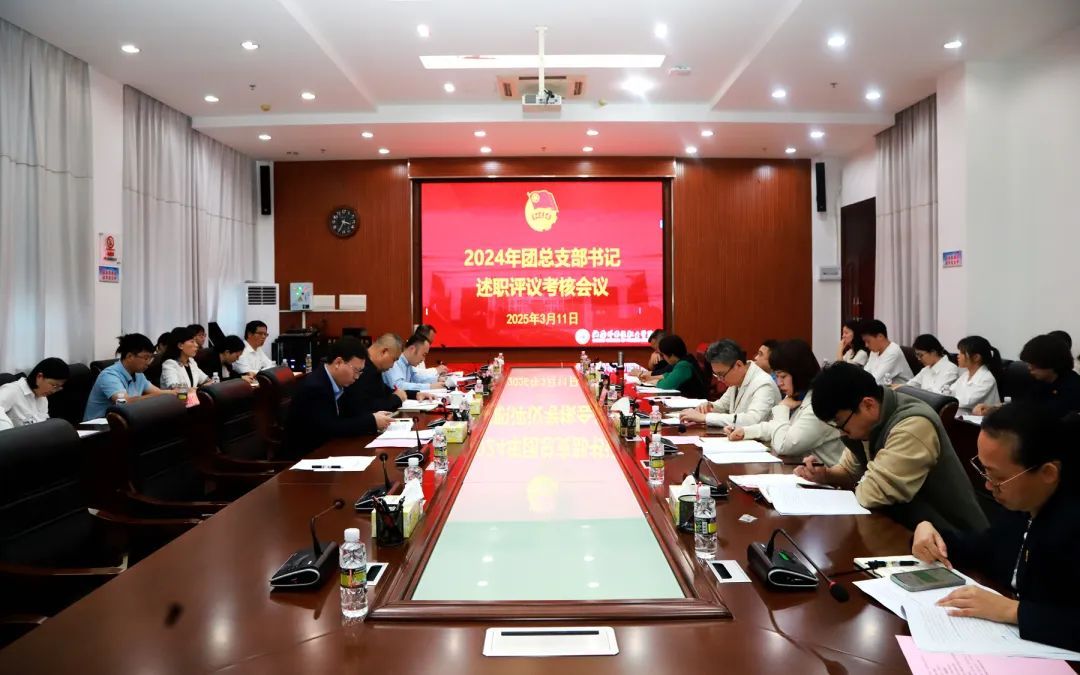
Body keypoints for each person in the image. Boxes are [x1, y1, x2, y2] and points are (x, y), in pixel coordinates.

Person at [911, 405, 1080, 652]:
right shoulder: (1021, 507)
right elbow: (984, 549)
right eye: (985, 471)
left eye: (999, 478)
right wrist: (928, 531)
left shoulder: (1071, 522)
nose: (989, 486)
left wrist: (1013, 611)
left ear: (1047, 473)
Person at [796, 362, 987, 532]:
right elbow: (849, 470)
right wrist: (825, 475)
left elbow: (873, 494)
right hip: (906, 528)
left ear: (868, 405)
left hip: (954, 540)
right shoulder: (868, 423)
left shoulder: (912, 425)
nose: (841, 432)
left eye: (840, 423)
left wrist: (859, 483)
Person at [727, 340, 844, 465]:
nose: (779, 383)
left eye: (783, 376)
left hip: (827, 475)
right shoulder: (800, 395)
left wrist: (782, 408)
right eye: (776, 376)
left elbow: (783, 446)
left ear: (799, 373)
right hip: (803, 469)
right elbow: (777, 427)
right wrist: (745, 431)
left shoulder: (818, 405)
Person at [286, 337, 396, 456]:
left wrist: (374, 417)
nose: (357, 377)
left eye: (360, 372)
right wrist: (372, 421)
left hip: (329, 449)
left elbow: (351, 413)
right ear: (338, 363)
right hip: (306, 456)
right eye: (356, 370)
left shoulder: (338, 383)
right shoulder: (315, 387)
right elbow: (331, 428)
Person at [679, 339, 780, 428]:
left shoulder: (764, 384)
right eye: (716, 375)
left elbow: (752, 420)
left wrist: (705, 418)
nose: (719, 380)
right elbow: (723, 405)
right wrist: (709, 407)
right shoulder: (738, 378)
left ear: (738, 365)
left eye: (722, 375)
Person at [976, 334, 1080, 418]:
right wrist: (994, 409)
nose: (1029, 368)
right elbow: (1024, 403)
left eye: (1034, 364)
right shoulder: (1040, 381)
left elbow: (1043, 414)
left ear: (1051, 362)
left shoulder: (1073, 386)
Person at [84, 334, 168, 420]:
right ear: (129, 356)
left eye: (151, 358)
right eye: (146, 358)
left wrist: (174, 393)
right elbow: (125, 403)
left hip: (124, 421)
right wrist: (158, 396)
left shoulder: (139, 375)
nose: (148, 363)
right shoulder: (109, 375)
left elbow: (159, 392)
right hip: (99, 425)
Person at [0, 358, 69, 431]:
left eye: (58, 388)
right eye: (54, 385)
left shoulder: (43, 398)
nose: (54, 391)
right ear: (39, 377)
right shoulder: (12, 391)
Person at [951, 335, 1001, 410]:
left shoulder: (987, 378)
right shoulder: (966, 374)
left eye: (962, 353)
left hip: (981, 417)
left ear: (976, 357)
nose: (958, 356)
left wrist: (948, 399)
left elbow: (966, 401)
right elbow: (950, 391)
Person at [860, 319, 913, 385]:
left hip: (902, 390)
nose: (866, 345)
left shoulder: (893, 352)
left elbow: (875, 381)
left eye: (868, 341)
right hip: (885, 388)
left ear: (880, 336)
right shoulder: (874, 351)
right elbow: (866, 373)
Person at [160, 326, 210, 390]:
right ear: (180, 345)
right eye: (192, 341)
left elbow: (207, 380)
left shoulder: (191, 362)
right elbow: (176, 389)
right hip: (178, 397)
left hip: (190, 396)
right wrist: (198, 389)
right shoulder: (170, 364)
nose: (196, 345)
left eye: (195, 341)